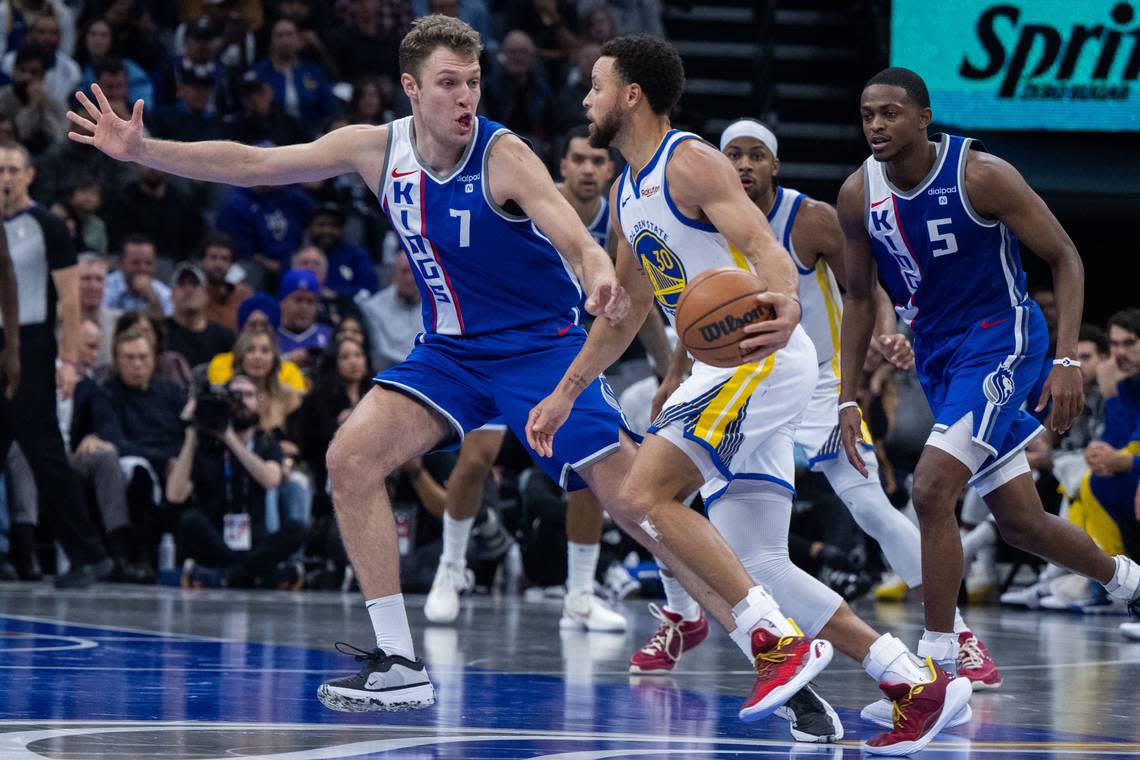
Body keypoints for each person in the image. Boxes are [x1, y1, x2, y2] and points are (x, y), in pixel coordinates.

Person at [67, 16, 819, 729]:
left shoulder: (505, 154)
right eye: (452, 84)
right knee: (349, 459)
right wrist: (145, 150)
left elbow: (574, 235)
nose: (468, 98)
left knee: (641, 510)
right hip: (450, 354)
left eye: (475, 82)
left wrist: (596, 273)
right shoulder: (375, 148)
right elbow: (259, 166)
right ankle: (397, 659)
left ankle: (772, 650)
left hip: (540, 349)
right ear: (411, 88)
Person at [526, 37, 970, 753]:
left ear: (632, 94)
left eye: (597, 85)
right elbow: (627, 311)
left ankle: (774, 643)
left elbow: (765, 249)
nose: (586, 99)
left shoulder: (691, 161)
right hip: (716, 369)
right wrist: (566, 391)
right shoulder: (625, 191)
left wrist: (788, 302)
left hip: (756, 356)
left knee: (641, 497)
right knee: (757, 562)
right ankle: (914, 683)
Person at [630, 117, 1000, 698]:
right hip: (740, 376)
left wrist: (887, 331)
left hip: (818, 379)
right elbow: (692, 315)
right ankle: (685, 616)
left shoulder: (810, 219)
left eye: (757, 155)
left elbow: (867, 285)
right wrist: (676, 372)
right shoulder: (704, 213)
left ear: (775, 164)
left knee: (870, 508)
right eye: (735, 155)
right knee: (678, 503)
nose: (745, 165)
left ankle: (956, 634)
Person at [835, 65, 1140, 714]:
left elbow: (1065, 257)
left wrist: (1065, 359)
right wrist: (847, 393)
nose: (877, 125)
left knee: (929, 489)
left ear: (923, 117)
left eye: (890, 112)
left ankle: (939, 672)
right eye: (867, 115)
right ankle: (1130, 581)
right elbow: (860, 297)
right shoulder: (857, 194)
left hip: (1002, 339)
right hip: (941, 359)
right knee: (1022, 524)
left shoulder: (980, 174)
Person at [0, 139, 111, 588]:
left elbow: (68, 300)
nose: (5, 178)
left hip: (30, 344)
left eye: (12, 170)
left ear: (29, 176)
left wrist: (67, 359)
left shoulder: (46, 226)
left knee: (43, 450)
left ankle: (89, 555)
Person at [169, 373, 306, 590]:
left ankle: (224, 577)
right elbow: (174, 495)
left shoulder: (267, 444)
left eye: (248, 395)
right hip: (214, 536)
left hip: (255, 536)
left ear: (259, 402)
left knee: (297, 528)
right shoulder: (204, 444)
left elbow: (270, 480)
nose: (242, 400)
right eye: (235, 395)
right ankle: (255, 576)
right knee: (188, 520)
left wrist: (230, 438)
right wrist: (191, 433)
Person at [165, 262, 236, 368]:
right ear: (171, 295)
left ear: (206, 295)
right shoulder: (160, 334)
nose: (188, 290)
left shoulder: (224, 338)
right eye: (181, 284)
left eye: (195, 284)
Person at [358, 253, 421, 372]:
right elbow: (381, 352)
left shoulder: (436, 306)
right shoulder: (373, 307)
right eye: (404, 271)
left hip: (429, 375)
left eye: (414, 271)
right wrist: (416, 366)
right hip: (391, 376)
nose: (410, 278)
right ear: (394, 274)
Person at [0, 46, 68, 155]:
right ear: (14, 71)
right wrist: (32, 107)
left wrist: (41, 106)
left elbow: (60, 138)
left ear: (42, 75)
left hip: (46, 159)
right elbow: (20, 135)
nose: (27, 76)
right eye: (22, 70)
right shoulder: (3, 98)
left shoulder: (54, 102)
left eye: (33, 72)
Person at [306, 203, 378, 300]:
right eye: (321, 225)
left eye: (334, 225)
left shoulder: (357, 255)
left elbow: (370, 290)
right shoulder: (301, 256)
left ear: (342, 229)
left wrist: (336, 293)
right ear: (311, 227)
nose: (327, 230)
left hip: (348, 310)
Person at [102, 234, 172, 317]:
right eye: (136, 263)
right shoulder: (103, 287)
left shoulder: (164, 294)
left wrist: (153, 299)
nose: (143, 269)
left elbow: (167, 327)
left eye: (148, 263)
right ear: (120, 263)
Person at [276, 267, 332, 372]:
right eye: (298, 300)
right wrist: (287, 359)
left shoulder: (329, 335)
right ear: (282, 302)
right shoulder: (269, 337)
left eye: (310, 301)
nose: (304, 307)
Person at [199, 233, 254, 333]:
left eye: (224, 259)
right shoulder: (193, 294)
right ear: (202, 261)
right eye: (213, 257)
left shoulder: (244, 295)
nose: (218, 264)